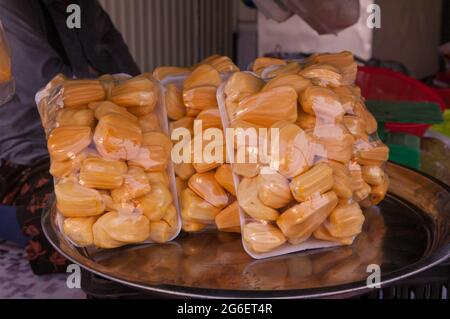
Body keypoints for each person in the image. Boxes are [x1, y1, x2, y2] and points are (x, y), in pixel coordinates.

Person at [0, 0, 139, 275]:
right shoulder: (10, 8)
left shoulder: (85, 7)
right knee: (75, 227)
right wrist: (113, 95)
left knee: (144, 195)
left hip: (94, 138)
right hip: (28, 153)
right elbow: (52, 89)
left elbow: (131, 75)